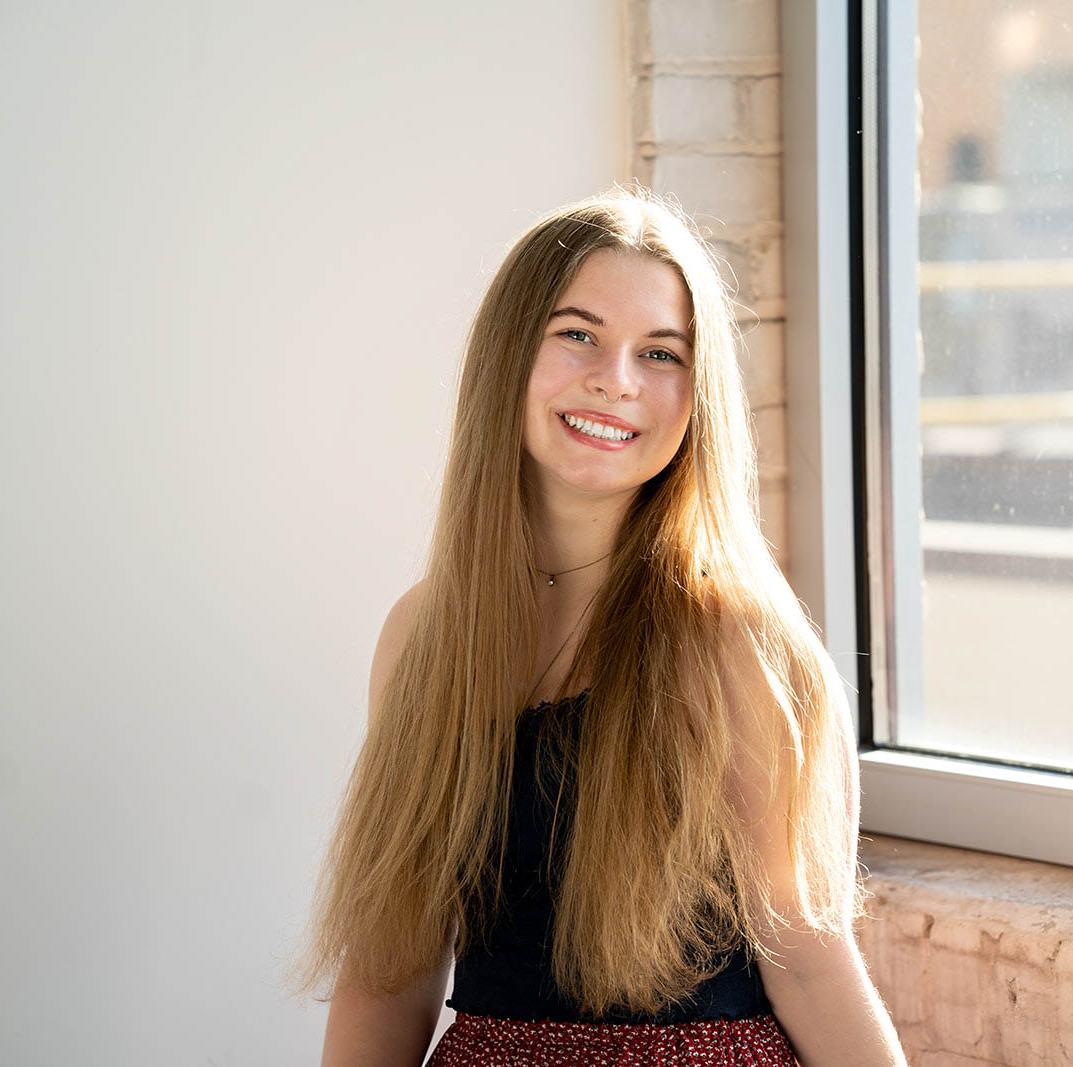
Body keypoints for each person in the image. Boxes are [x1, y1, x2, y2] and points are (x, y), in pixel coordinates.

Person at [292, 187, 907, 1066]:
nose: (616, 378)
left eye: (661, 352)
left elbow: (811, 963)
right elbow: (387, 974)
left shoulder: (734, 644)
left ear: (697, 398)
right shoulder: (423, 633)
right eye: (577, 333)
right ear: (508, 356)